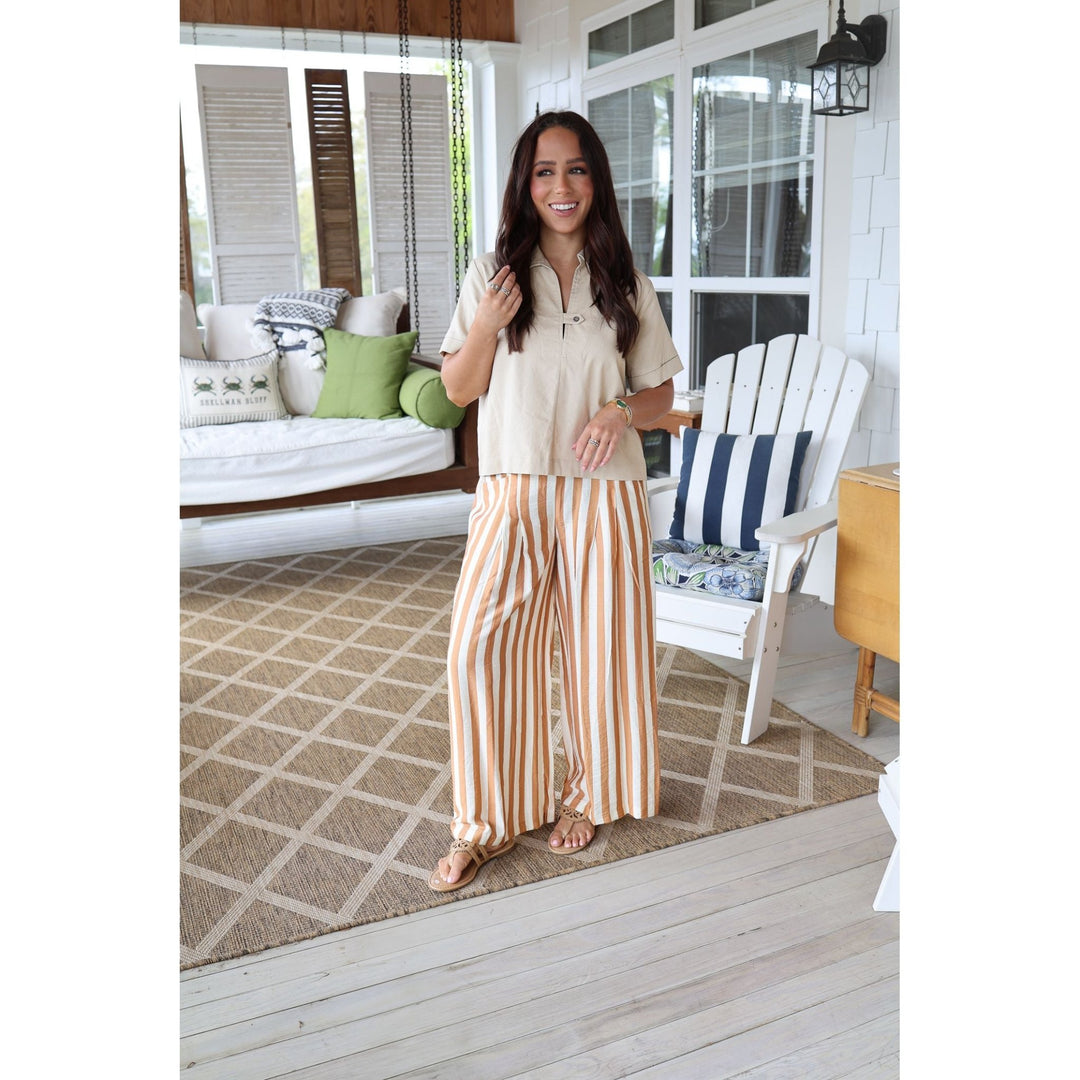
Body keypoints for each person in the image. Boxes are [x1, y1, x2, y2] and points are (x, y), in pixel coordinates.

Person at [429, 110, 684, 892]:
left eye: (576, 169)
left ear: (596, 180)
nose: (561, 186)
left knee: (600, 656)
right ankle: (489, 820)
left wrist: (618, 411)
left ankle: (590, 795)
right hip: (513, 484)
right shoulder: (493, 276)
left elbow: (665, 394)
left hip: (604, 495)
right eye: (545, 171)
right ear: (524, 183)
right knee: (477, 647)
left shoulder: (625, 281)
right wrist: (486, 326)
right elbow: (458, 389)